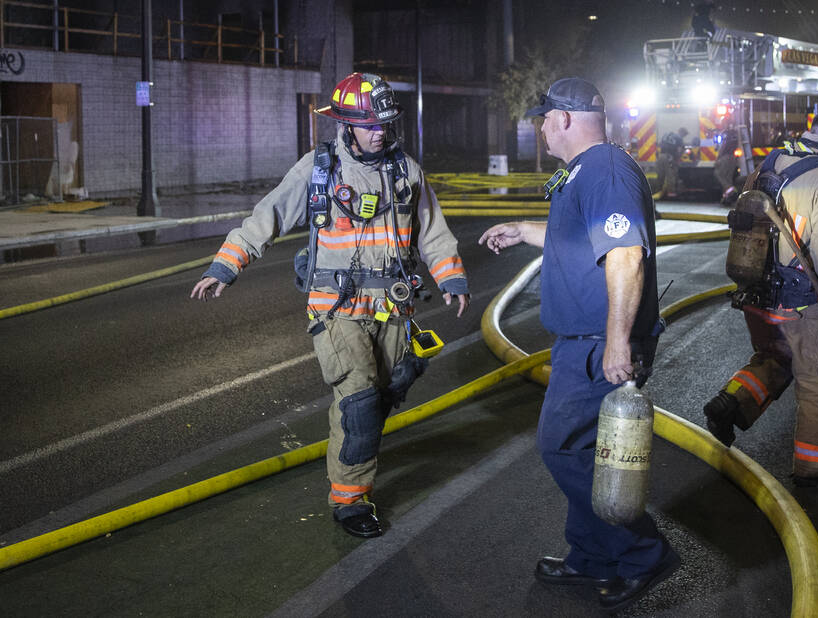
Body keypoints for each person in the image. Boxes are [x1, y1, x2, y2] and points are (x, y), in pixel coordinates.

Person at [189, 72, 469, 539]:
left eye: (385, 123)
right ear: (348, 124)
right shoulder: (318, 170)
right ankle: (350, 500)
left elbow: (432, 230)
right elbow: (268, 216)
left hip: (393, 309)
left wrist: (451, 277)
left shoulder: (405, 170)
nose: (381, 130)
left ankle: (355, 465)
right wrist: (225, 266)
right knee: (358, 399)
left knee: (386, 392)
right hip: (336, 308)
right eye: (371, 123)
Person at [479, 77, 679, 612]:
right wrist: (525, 229)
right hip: (583, 340)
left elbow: (624, 257)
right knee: (580, 448)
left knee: (562, 446)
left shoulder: (607, 172)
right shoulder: (586, 172)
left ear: (565, 119)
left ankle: (642, 554)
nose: (541, 128)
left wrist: (617, 343)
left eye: (544, 118)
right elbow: (585, 237)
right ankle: (591, 557)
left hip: (598, 343)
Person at [703, 111, 818, 488]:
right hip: (799, 303)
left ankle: (731, 401)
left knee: (776, 358)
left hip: (756, 295)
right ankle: (815, 469)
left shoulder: (770, 162)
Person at [657, 126, 686, 198]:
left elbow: (660, 144)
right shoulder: (679, 138)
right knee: (671, 175)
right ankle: (671, 193)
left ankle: (658, 191)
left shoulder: (666, 134)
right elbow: (679, 150)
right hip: (669, 157)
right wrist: (677, 159)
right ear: (682, 132)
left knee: (660, 175)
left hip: (661, 156)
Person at [713, 126, 739, 205]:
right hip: (733, 158)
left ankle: (730, 189)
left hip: (725, 157)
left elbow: (723, 147)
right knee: (728, 177)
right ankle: (727, 197)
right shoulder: (734, 134)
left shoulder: (725, 134)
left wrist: (718, 159)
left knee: (719, 174)